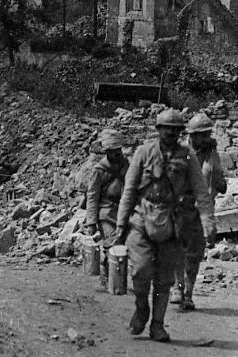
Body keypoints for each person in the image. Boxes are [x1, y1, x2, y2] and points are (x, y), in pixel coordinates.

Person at [115, 108, 216, 343]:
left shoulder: (187, 155)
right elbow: (129, 190)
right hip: (142, 219)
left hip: (173, 221)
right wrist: (121, 224)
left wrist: (207, 222)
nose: (170, 133)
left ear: (181, 132)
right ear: (158, 130)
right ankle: (142, 308)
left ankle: (157, 325)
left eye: (175, 130)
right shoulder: (143, 153)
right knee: (140, 270)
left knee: (164, 279)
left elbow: (201, 191)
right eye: (166, 129)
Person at [171, 112, 227, 311]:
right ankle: (178, 288)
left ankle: (188, 294)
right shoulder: (182, 152)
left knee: (195, 253)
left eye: (208, 134)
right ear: (192, 135)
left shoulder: (212, 155)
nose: (206, 138)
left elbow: (218, 181)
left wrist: (219, 179)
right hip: (181, 207)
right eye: (202, 135)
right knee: (178, 249)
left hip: (201, 210)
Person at [84, 129, 128, 285]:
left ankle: (114, 278)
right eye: (111, 151)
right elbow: (92, 195)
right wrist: (91, 222)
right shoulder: (99, 170)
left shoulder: (127, 165)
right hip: (106, 212)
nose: (115, 154)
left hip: (124, 212)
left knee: (122, 245)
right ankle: (108, 277)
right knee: (111, 243)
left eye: (117, 150)